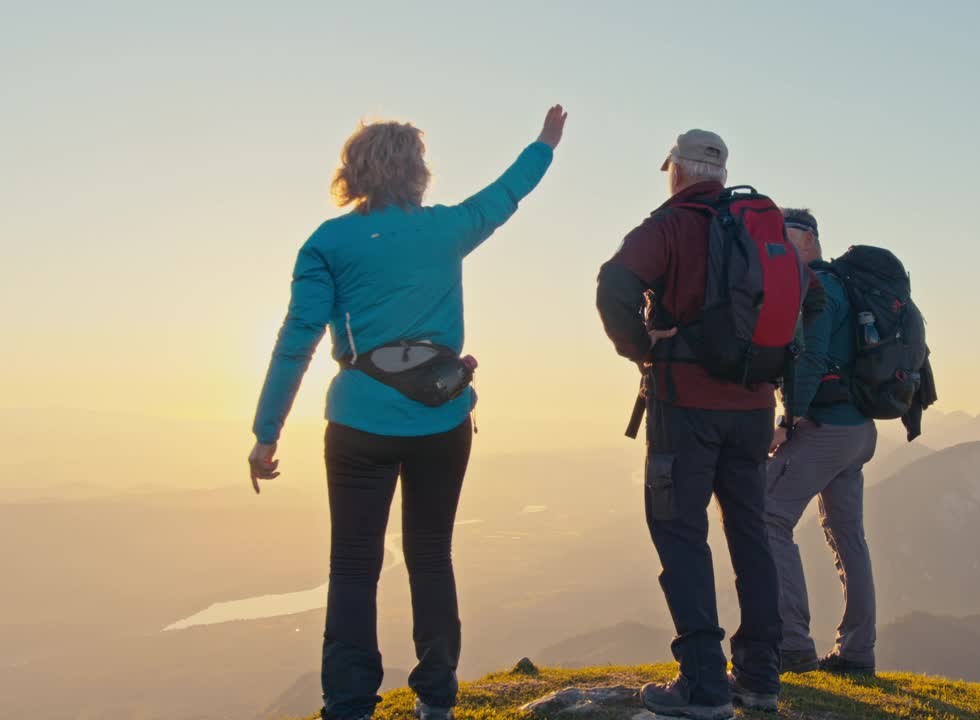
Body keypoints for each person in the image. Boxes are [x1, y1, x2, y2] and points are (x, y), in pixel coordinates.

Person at [247, 105, 567, 720]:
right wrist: (544, 145)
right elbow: (507, 194)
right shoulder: (448, 228)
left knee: (351, 566)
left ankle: (348, 706)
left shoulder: (327, 242)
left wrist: (267, 433)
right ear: (417, 171)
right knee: (430, 554)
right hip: (441, 421)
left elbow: (297, 340)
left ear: (354, 173)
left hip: (358, 425)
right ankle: (438, 698)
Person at [597, 130, 814, 719]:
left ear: (676, 171)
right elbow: (807, 296)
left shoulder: (668, 227)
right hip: (752, 410)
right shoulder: (758, 227)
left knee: (681, 535)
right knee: (750, 535)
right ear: (719, 172)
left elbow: (613, 283)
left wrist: (642, 346)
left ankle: (702, 684)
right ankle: (760, 677)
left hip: (684, 408)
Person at [766, 208, 879, 677]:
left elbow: (808, 359)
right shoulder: (846, 289)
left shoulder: (821, 289)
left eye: (784, 235)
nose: (775, 245)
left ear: (808, 239)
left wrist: (788, 420)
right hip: (858, 431)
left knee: (766, 513)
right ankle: (857, 653)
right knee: (847, 534)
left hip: (826, 430)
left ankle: (792, 644)